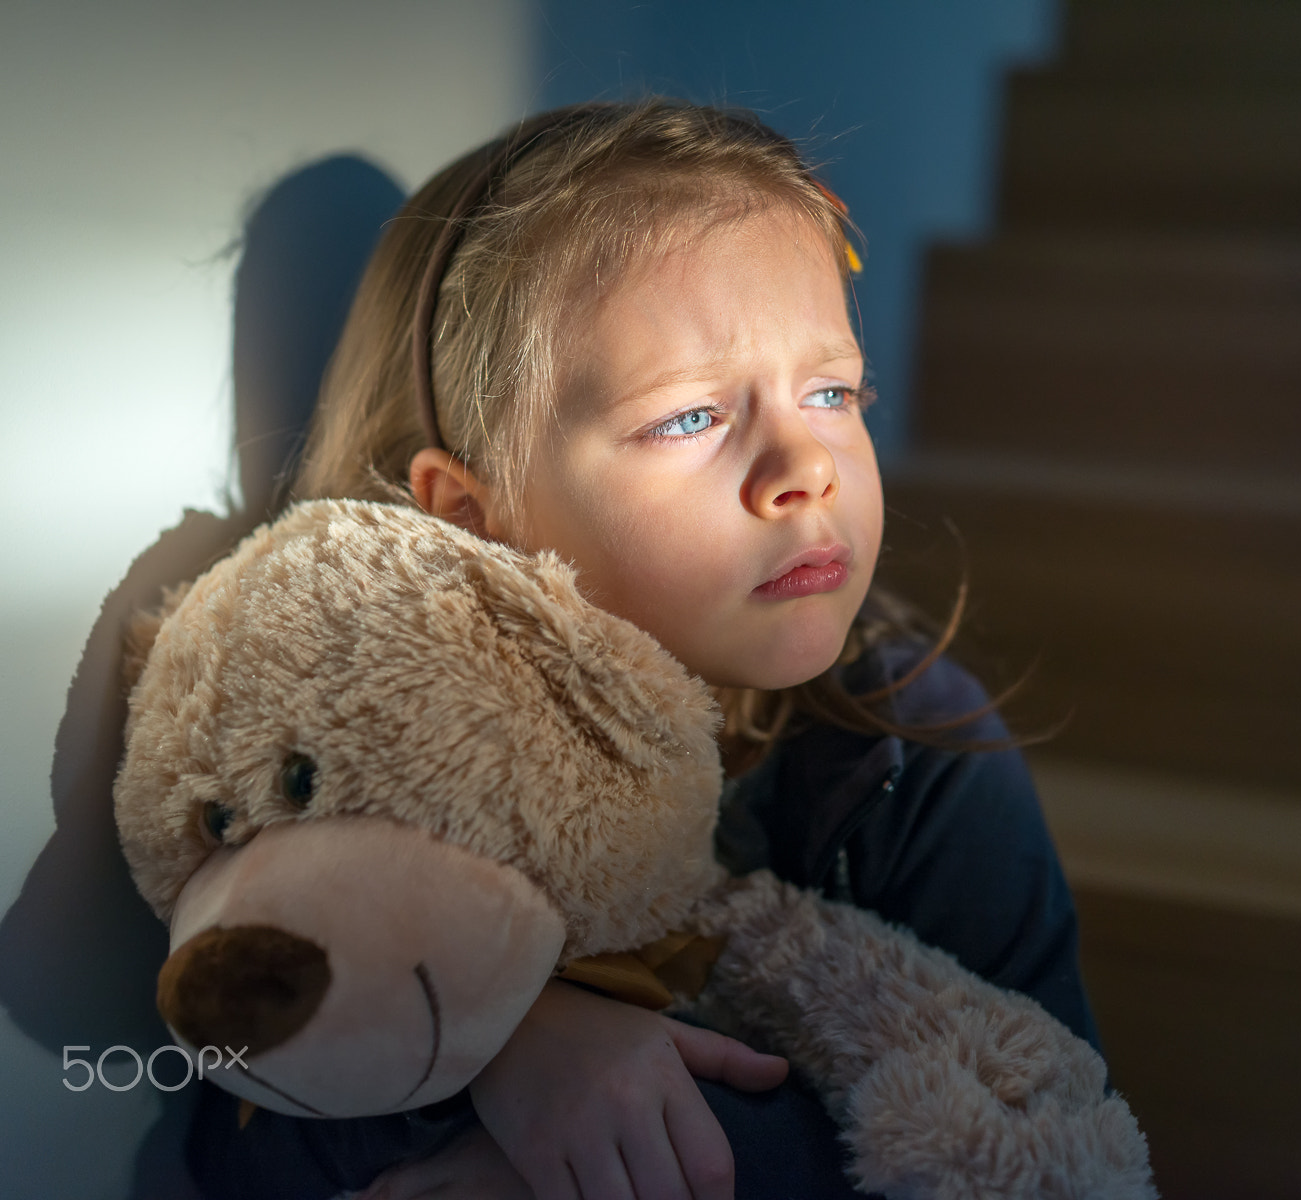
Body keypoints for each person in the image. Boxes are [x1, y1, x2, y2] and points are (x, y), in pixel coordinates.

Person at [184, 98, 1101, 1200]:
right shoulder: (372, 763)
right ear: (472, 518)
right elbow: (237, 1124)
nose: (803, 466)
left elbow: (1048, 1137)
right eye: (689, 418)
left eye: (832, 391)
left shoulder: (913, 747)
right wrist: (496, 1054)